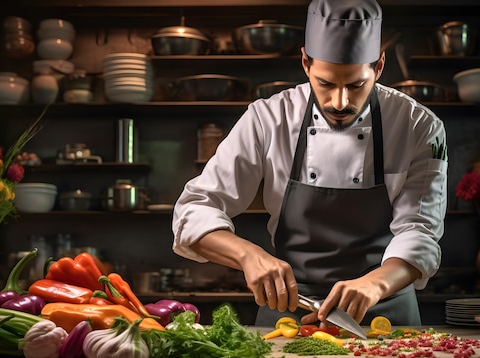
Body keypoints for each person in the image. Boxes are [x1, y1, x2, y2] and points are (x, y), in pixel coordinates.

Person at [172, 0, 447, 327]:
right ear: (305, 63)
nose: (340, 102)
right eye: (326, 83)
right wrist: (250, 256)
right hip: (290, 310)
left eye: (357, 85)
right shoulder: (267, 118)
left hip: (384, 312)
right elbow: (194, 209)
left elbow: (420, 231)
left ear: (379, 67)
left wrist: (375, 284)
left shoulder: (419, 126)